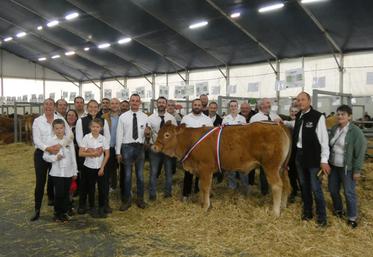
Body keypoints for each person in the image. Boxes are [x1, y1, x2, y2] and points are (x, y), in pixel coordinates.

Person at [285, 92, 330, 227]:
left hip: (313, 157)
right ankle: (307, 212)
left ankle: (322, 217)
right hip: (299, 155)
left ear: (309, 101)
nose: (300, 102)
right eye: (298, 100)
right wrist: (283, 121)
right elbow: (295, 125)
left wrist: (324, 160)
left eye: (303, 99)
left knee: (316, 188)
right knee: (304, 186)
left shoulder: (318, 117)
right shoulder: (299, 115)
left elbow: (324, 140)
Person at [30, 98, 72, 221]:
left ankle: (59, 210)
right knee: (40, 182)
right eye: (46, 104)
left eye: (51, 104)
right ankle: (37, 210)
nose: (48, 106)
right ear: (43, 106)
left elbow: (69, 135)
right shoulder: (38, 121)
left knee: (57, 181)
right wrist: (48, 148)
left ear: (54, 106)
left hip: (58, 154)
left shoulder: (60, 118)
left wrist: (60, 145)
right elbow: (36, 140)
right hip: (42, 154)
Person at [328, 105, 367, 228]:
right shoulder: (334, 128)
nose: (339, 116)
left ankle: (352, 217)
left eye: (343, 114)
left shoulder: (356, 132)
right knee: (333, 190)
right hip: (334, 166)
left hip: (347, 168)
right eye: (338, 114)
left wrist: (357, 170)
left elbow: (360, 152)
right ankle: (338, 209)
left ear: (349, 117)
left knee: (349, 192)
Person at [75, 100, 111, 215]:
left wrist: (102, 148)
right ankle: (83, 204)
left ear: (98, 107)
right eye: (91, 107)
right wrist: (88, 149)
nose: (93, 109)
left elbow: (108, 137)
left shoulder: (103, 120)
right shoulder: (81, 121)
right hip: (86, 155)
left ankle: (104, 204)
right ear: (87, 107)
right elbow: (79, 138)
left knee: (103, 183)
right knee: (85, 182)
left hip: (101, 156)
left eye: (95, 107)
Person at [116, 94, 150, 211]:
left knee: (140, 176)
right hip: (126, 147)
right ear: (129, 102)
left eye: (137, 101)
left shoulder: (145, 117)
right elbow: (119, 135)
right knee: (127, 176)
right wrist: (117, 152)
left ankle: (140, 199)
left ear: (140, 103)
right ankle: (127, 200)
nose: (135, 103)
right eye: (133, 101)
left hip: (140, 147)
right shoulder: (123, 117)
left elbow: (147, 134)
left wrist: (147, 135)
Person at [43, 119, 78, 222]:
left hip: (68, 172)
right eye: (56, 128)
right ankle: (57, 213)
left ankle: (64, 212)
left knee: (66, 193)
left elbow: (73, 157)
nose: (59, 130)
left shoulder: (68, 141)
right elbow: (45, 156)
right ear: (53, 130)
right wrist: (54, 158)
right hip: (56, 172)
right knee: (58, 193)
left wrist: (74, 171)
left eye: (61, 128)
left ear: (64, 129)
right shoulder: (50, 141)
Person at [181, 99, 213, 200]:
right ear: (192, 106)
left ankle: (197, 193)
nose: (197, 106)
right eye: (195, 105)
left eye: (199, 105)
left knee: (201, 173)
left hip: (203, 152)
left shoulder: (207, 120)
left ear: (202, 107)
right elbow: (181, 135)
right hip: (189, 151)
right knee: (188, 173)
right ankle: (186, 194)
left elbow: (212, 136)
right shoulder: (185, 119)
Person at [148, 97, 177, 201]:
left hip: (167, 150)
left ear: (166, 105)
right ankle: (152, 194)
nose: (161, 104)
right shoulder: (150, 118)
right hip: (155, 149)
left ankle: (168, 193)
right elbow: (148, 132)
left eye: (163, 103)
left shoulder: (171, 118)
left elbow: (175, 134)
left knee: (168, 172)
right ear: (156, 104)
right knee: (153, 172)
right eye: (159, 102)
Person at [248, 98, 278, 195]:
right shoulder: (255, 118)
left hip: (275, 148)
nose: (267, 105)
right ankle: (264, 192)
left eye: (268, 103)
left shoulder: (275, 116)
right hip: (262, 148)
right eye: (264, 104)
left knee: (275, 169)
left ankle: (275, 189)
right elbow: (251, 135)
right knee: (264, 171)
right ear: (260, 106)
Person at [223, 100, 249, 194]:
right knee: (230, 168)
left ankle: (245, 187)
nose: (233, 108)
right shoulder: (226, 119)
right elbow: (223, 133)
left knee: (243, 168)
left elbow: (245, 133)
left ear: (237, 107)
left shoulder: (242, 118)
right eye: (231, 106)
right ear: (229, 107)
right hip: (229, 147)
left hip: (240, 147)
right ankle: (232, 187)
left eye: (235, 106)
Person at [102, 98, 121, 193]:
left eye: (116, 103)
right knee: (108, 167)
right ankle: (109, 186)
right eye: (112, 103)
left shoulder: (123, 117)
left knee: (119, 167)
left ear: (119, 105)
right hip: (108, 147)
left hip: (120, 147)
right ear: (109, 105)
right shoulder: (104, 117)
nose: (114, 105)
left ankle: (117, 186)